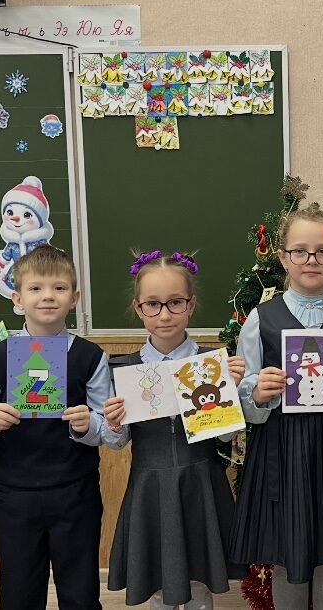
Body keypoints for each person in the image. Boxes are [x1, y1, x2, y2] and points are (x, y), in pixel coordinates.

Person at [228, 204, 323, 610]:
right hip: (282, 449)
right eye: (299, 251)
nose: (311, 260)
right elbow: (243, 391)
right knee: (286, 556)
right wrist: (257, 392)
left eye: (322, 251)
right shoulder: (260, 319)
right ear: (283, 257)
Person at [0, 245, 111, 610]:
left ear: (74, 298)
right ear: (17, 299)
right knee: (19, 593)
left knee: (80, 593)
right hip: (15, 495)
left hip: (76, 492)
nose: (48, 296)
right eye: (35, 288)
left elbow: (111, 432)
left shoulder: (91, 357)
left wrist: (87, 425)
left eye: (59, 288)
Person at [102, 250, 246, 609]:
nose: (164, 314)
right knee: (157, 582)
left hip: (201, 484)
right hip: (149, 487)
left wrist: (232, 395)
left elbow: (224, 437)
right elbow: (118, 442)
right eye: (153, 304)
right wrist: (114, 422)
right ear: (138, 309)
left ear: (190, 305)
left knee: (199, 582)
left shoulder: (211, 363)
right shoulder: (123, 369)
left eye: (175, 302)